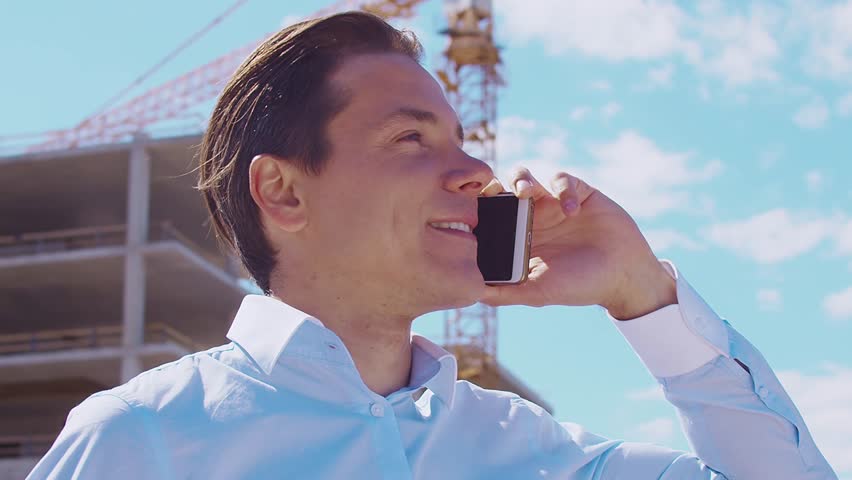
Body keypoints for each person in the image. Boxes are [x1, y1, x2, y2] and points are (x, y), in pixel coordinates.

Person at [27, 11, 836, 480]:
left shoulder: (530, 449)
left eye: (463, 139)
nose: (477, 168)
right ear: (283, 191)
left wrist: (645, 299)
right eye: (412, 138)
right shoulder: (140, 442)